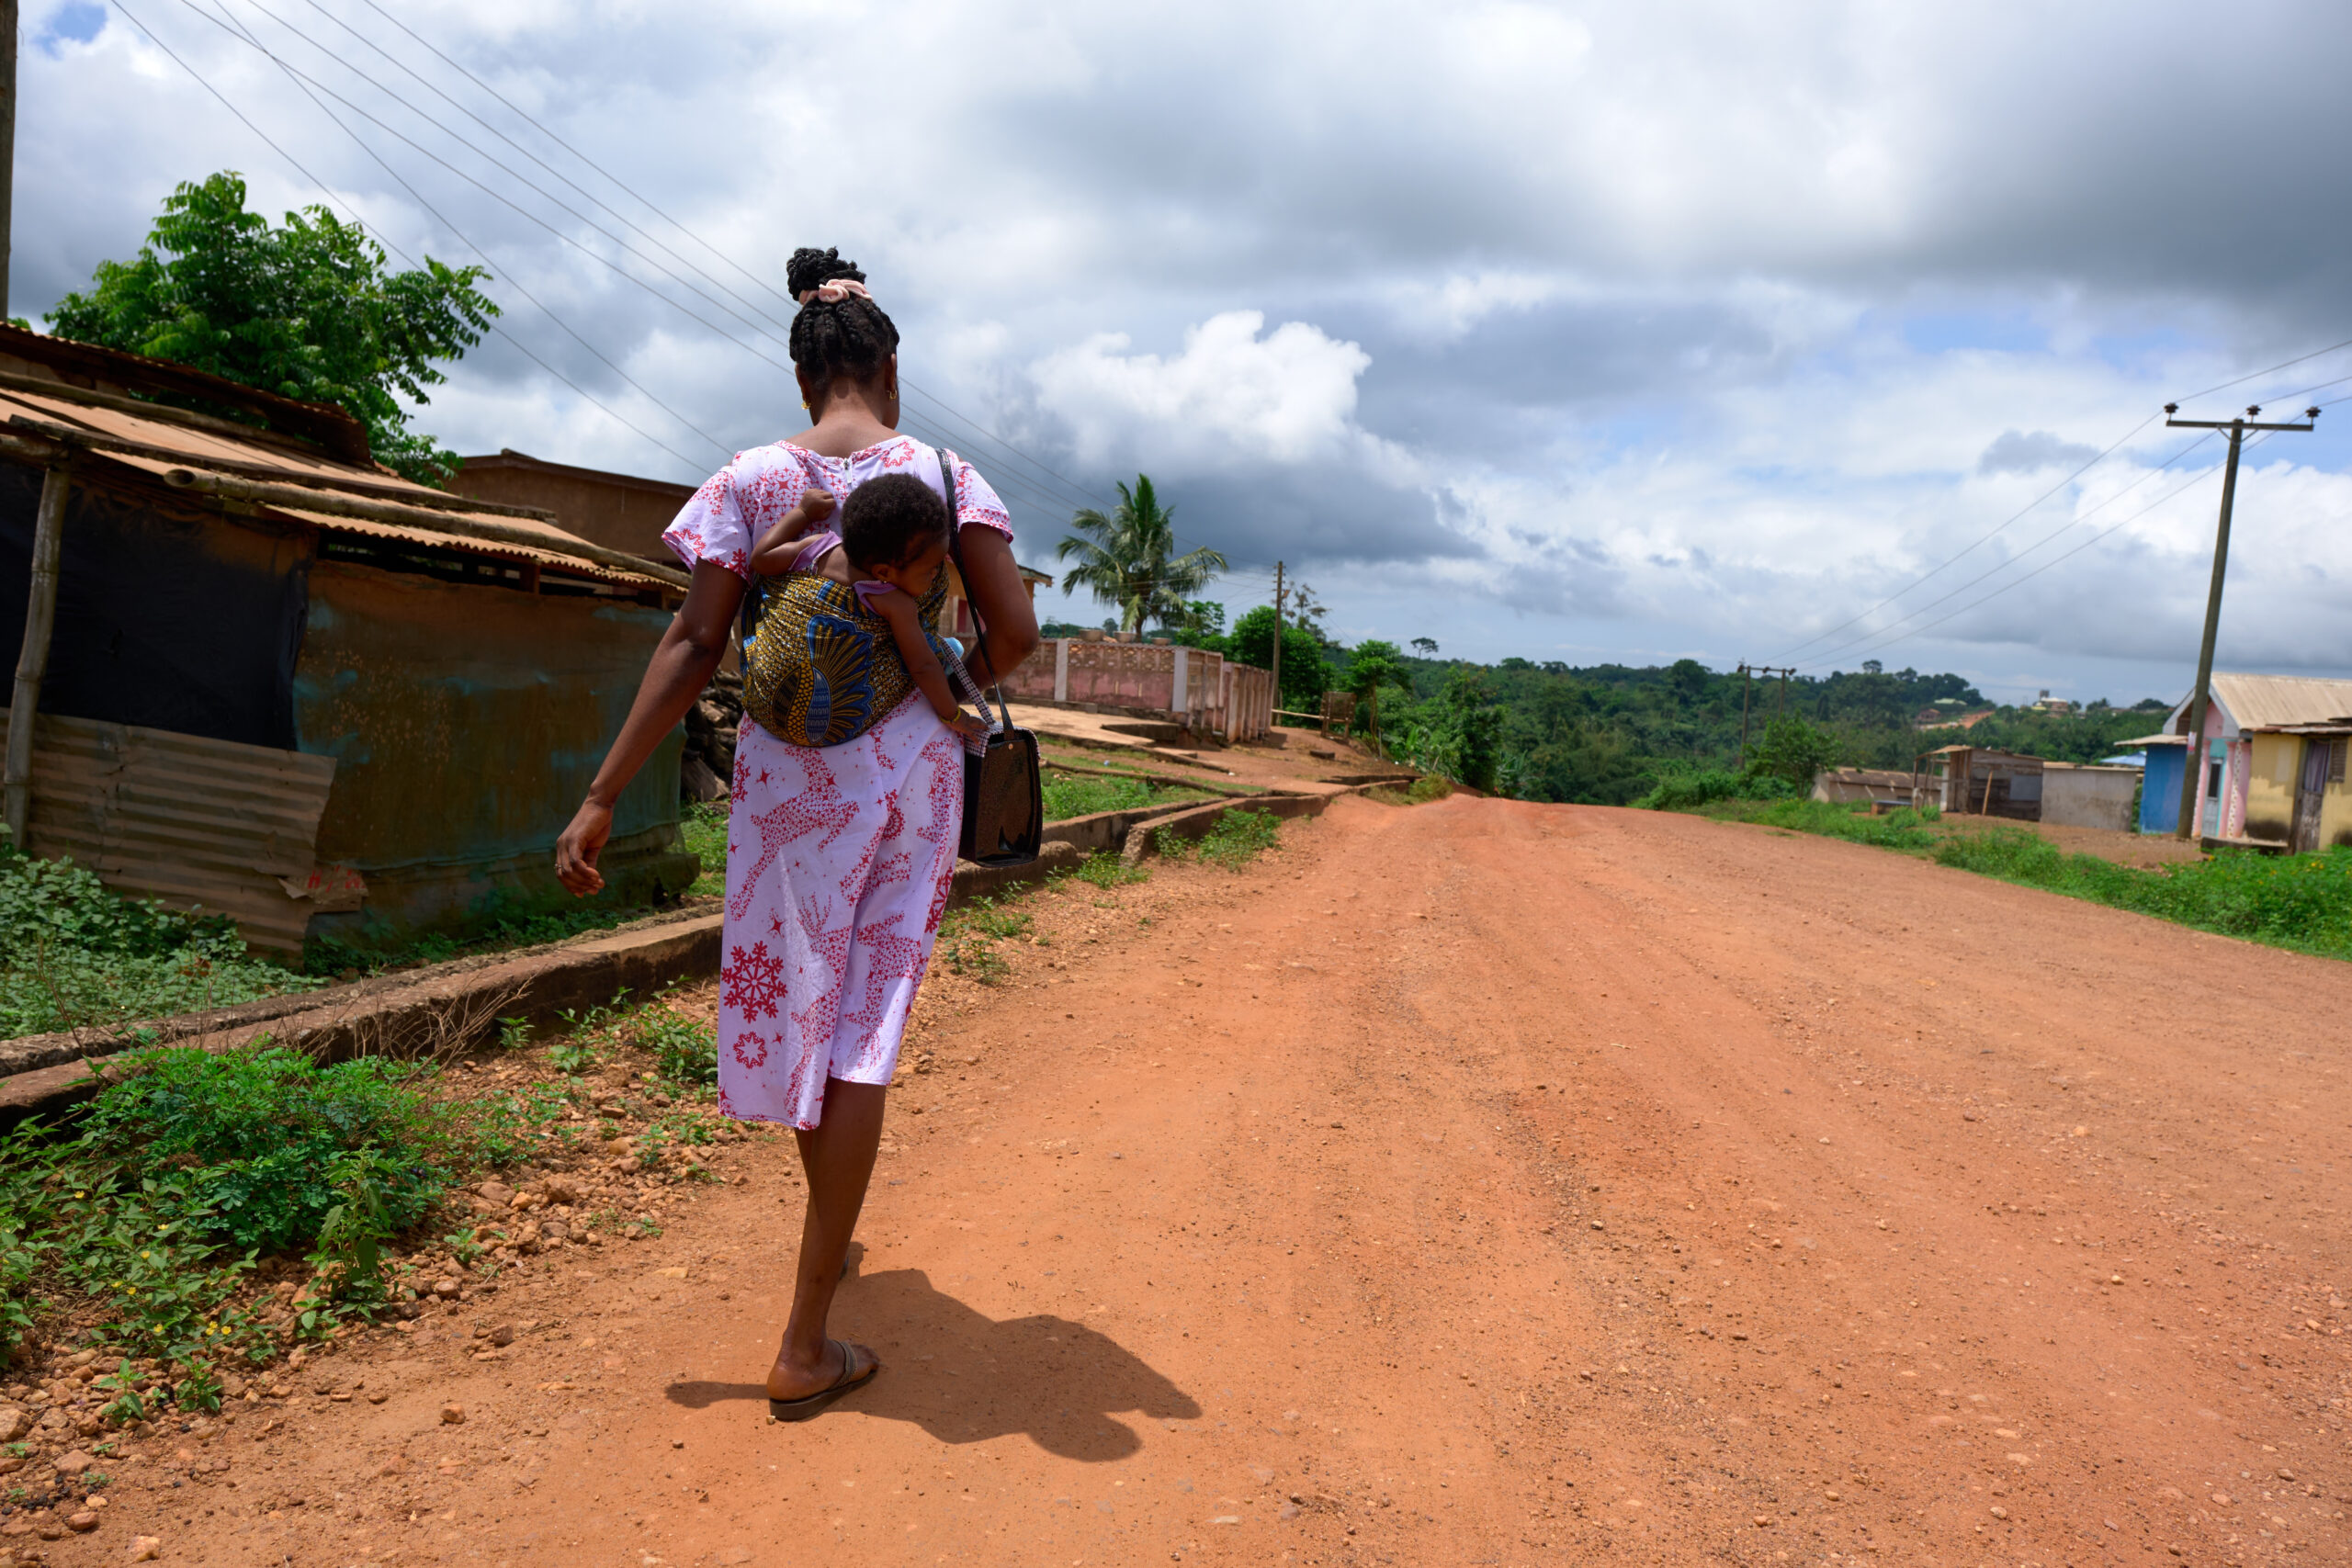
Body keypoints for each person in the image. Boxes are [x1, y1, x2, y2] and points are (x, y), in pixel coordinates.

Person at [553, 246, 1038, 1420]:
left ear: (805, 375)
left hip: (780, 782)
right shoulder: (942, 473)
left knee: (795, 1000)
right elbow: (1014, 636)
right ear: (887, 363)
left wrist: (605, 792)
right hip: (908, 779)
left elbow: (691, 645)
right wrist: (926, 660)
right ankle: (805, 1337)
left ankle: (817, 1284)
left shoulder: (748, 480)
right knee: (862, 1028)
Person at [744, 473, 989, 746]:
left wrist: (802, 513)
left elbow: (761, 560)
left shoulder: (816, 547)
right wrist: (953, 715)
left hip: (765, 706)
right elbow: (922, 667)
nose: (936, 574)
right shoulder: (896, 603)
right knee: (940, 650)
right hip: (838, 729)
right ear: (883, 572)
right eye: (930, 569)